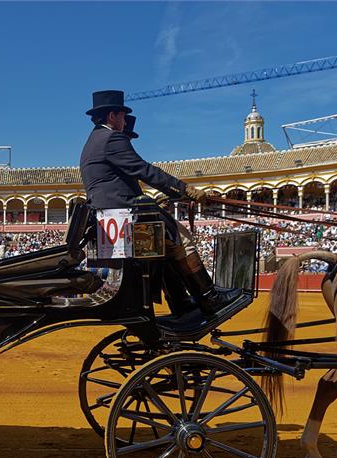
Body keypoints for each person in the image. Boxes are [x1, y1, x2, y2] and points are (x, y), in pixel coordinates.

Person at [80, 90, 240, 316]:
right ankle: (209, 298)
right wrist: (185, 190)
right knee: (183, 239)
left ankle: (181, 302)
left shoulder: (93, 141)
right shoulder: (111, 138)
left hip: (110, 213)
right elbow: (145, 170)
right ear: (112, 116)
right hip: (123, 212)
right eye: (123, 115)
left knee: (163, 249)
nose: (125, 121)